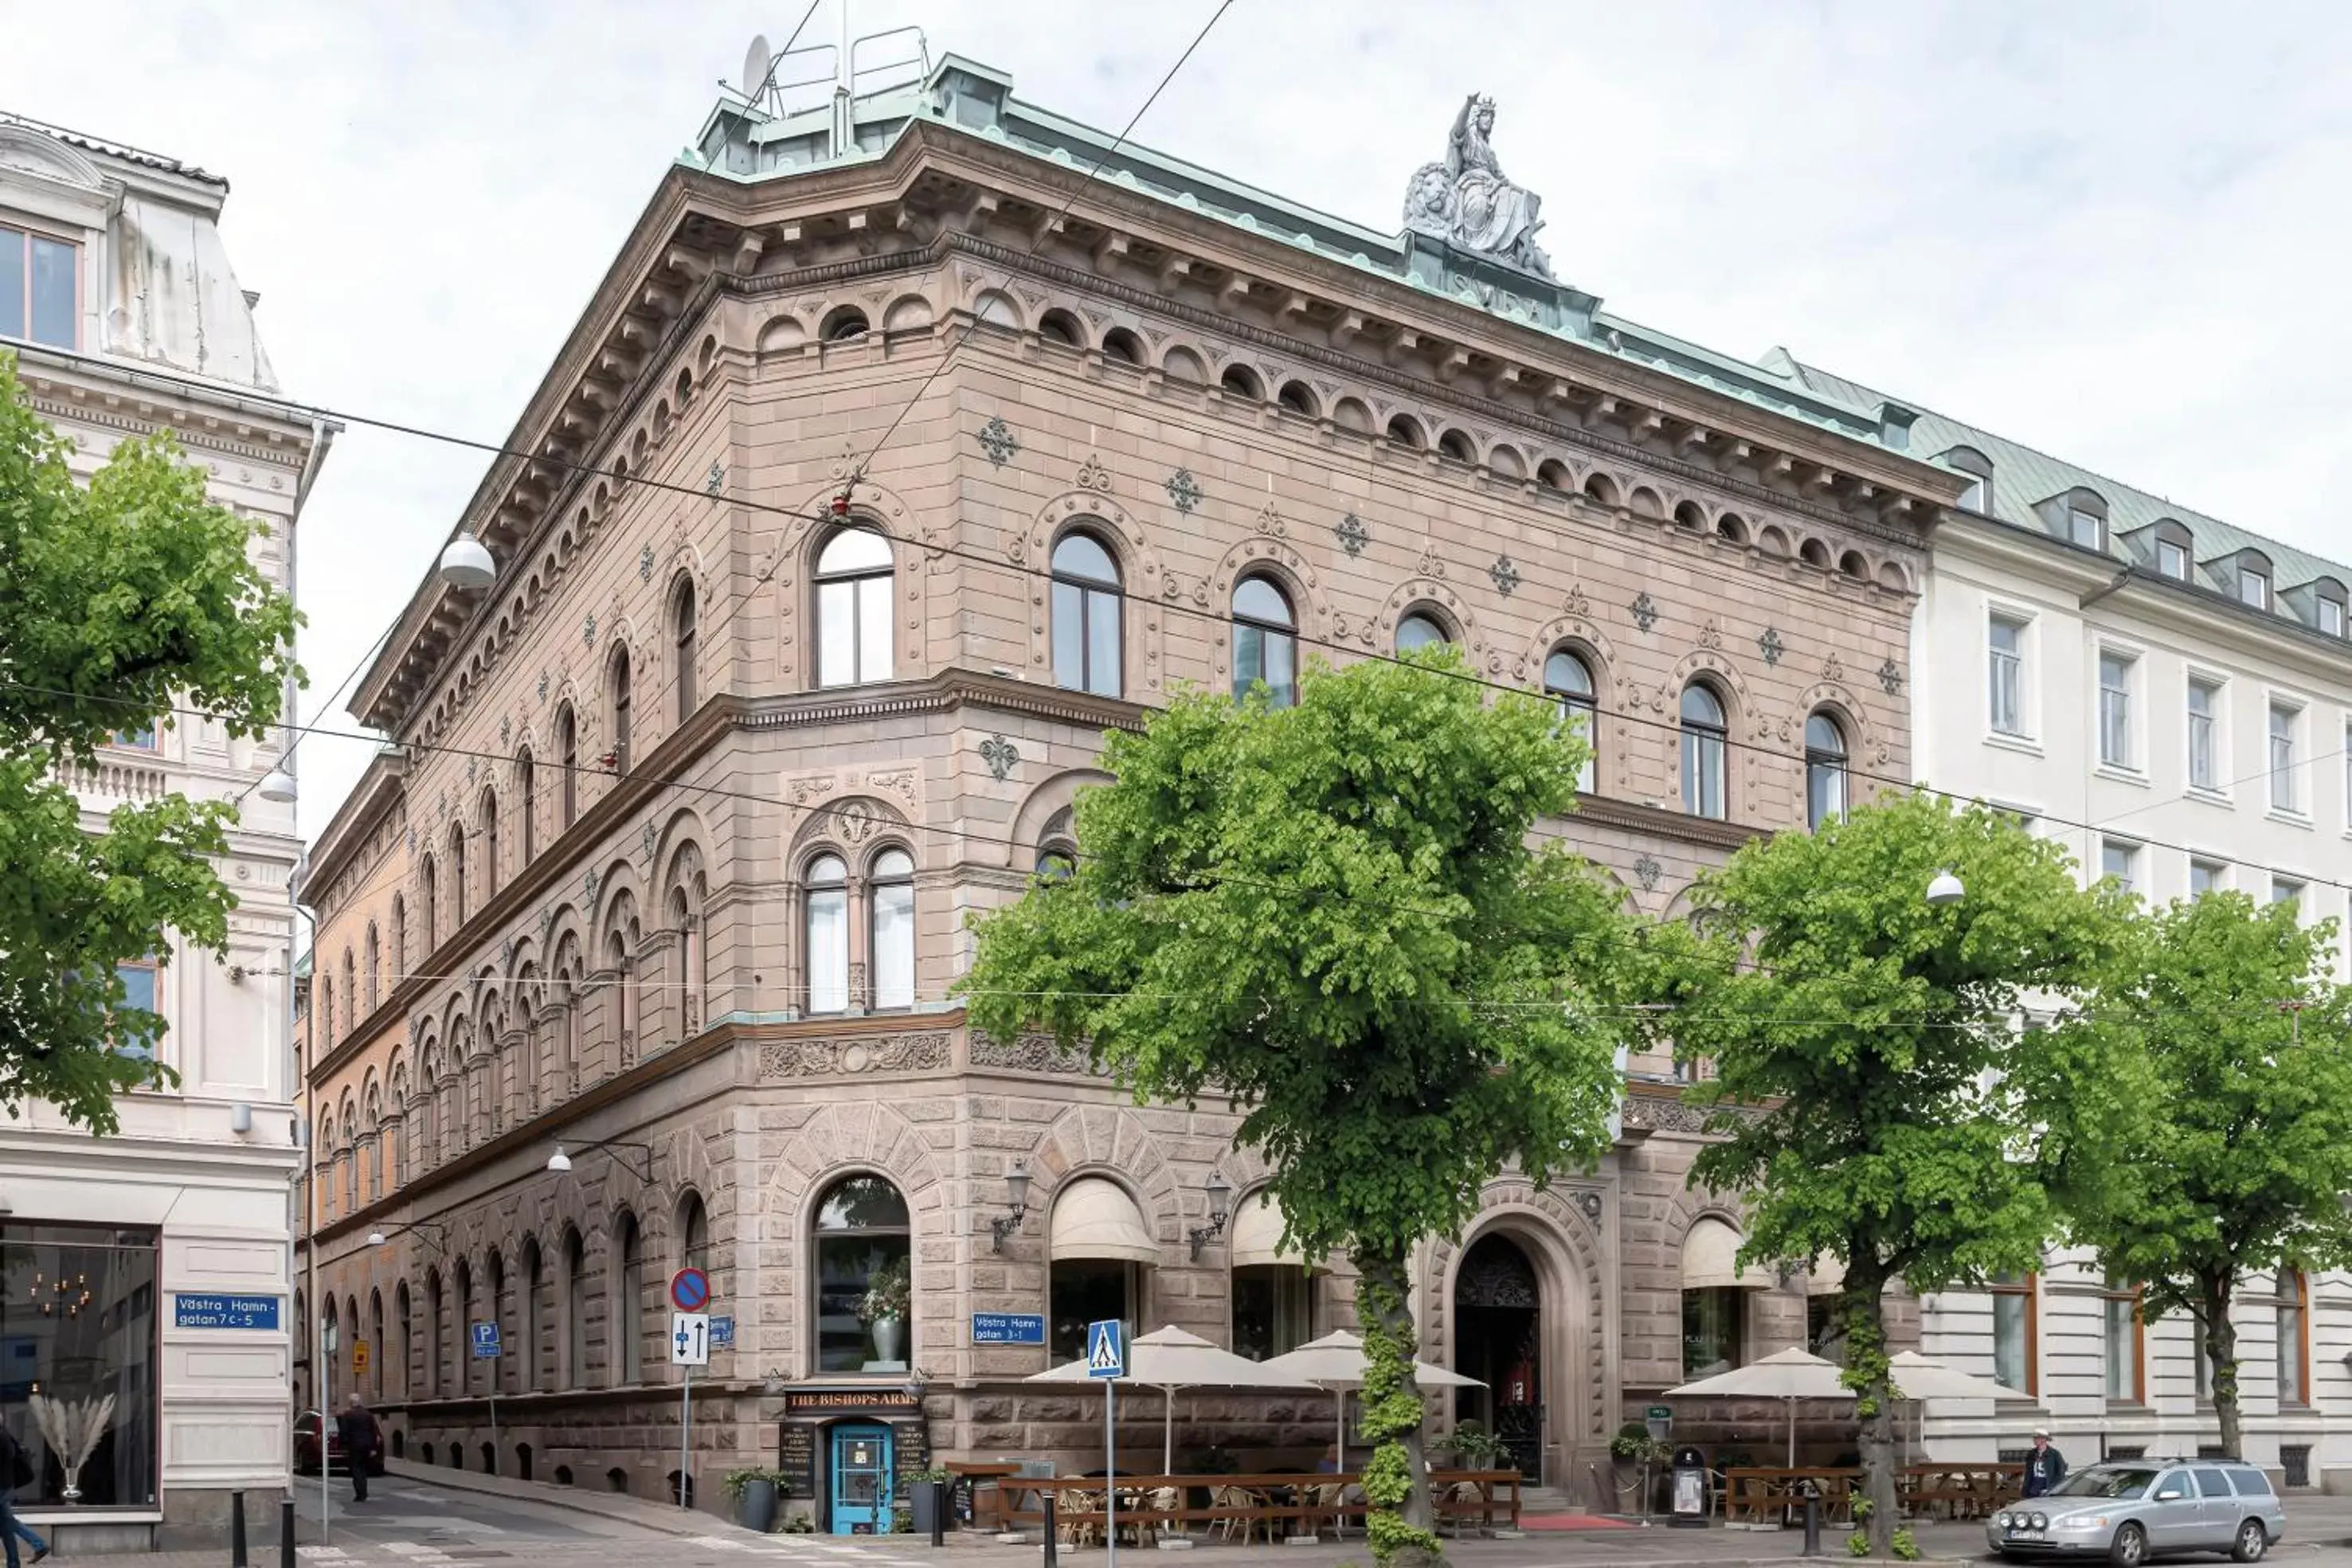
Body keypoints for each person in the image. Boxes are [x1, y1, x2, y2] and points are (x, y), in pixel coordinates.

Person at [0, 1426, 49, 1566]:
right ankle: (34, 1548)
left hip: (2, 1487)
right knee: (6, 1524)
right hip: (6, 1485)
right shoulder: (6, 1435)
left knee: (7, 1523)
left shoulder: (2, 1439)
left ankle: (37, 1545)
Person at [337, 1396, 382, 1503]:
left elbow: (343, 1432)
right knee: (363, 1468)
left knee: (356, 1469)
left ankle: (360, 1493)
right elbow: (374, 1431)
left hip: (354, 1446)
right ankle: (364, 1491)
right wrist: (373, 1448)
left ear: (351, 1403)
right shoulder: (368, 1415)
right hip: (367, 1446)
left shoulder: (348, 1415)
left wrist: (343, 1445)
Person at [2021, 1429, 2066, 1498]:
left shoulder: (2054, 1454)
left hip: (2047, 1487)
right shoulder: (2031, 1454)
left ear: (2043, 1439)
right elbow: (2028, 1473)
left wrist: (2051, 1488)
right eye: (2034, 1438)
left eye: (2036, 1438)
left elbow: (2060, 1473)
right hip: (2033, 1488)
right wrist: (2025, 1487)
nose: (2034, 1440)